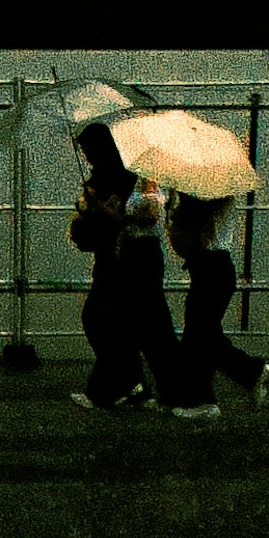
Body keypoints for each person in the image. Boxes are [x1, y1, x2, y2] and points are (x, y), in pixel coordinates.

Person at [67, 101, 176, 415]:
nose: (85, 155)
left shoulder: (119, 178)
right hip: (123, 257)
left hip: (122, 258)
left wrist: (97, 207)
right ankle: (139, 387)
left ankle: (114, 388)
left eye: (87, 148)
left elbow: (131, 215)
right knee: (137, 326)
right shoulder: (114, 174)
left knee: (102, 318)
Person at [165, 186, 263, 417]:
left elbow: (195, 233)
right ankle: (210, 395)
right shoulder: (220, 189)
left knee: (199, 335)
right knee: (202, 333)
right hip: (215, 267)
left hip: (210, 267)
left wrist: (175, 207)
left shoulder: (205, 197)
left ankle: (242, 376)